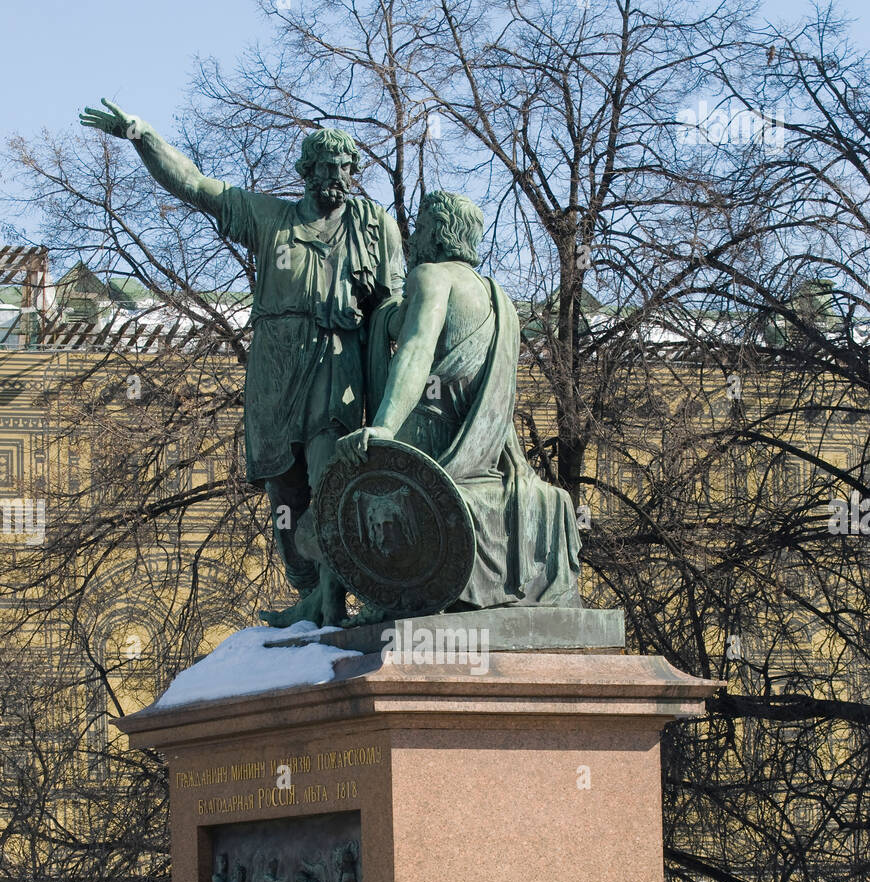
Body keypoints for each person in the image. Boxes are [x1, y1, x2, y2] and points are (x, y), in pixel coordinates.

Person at [79, 101, 405, 626]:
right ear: (306, 172)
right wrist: (141, 135)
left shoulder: (374, 228)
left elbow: (392, 306)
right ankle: (308, 592)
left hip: (335, 364)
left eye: (344, 168)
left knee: (332, 475)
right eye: (324, 167)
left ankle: (334, 595)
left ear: (353, 173)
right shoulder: (269, 218)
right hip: (274, 374)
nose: (335, 178)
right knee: (285, 493)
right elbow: (196, 186)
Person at [335, 191, 581, 612]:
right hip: (486, 452)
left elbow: (415, 351)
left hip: (428, 435)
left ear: (437, 233)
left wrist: (385, 427)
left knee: (339, 488)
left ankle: (337, 601)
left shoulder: (431, 277)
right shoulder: (497, 296)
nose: (415, 238)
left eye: (422, 227)